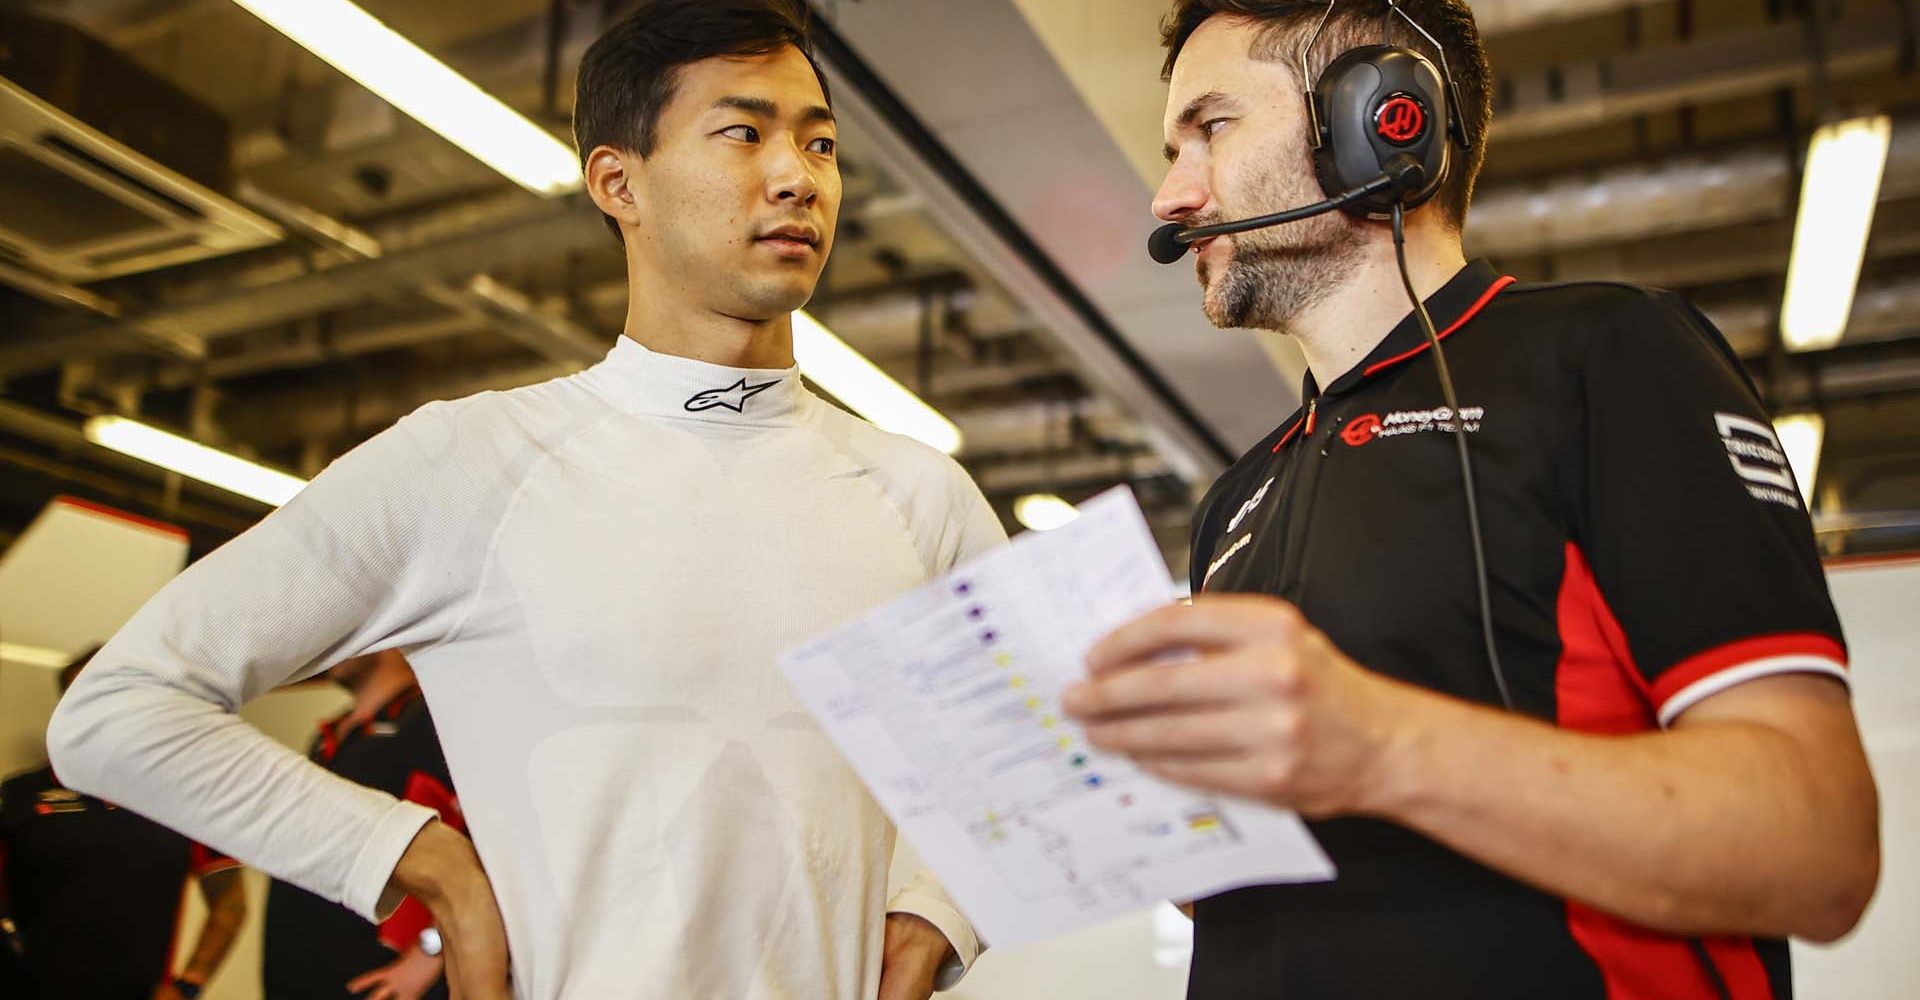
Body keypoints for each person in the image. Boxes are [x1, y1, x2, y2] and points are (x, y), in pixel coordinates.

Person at [48, 2, 1002, 998]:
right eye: (742, 132)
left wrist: (935, 912)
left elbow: (1055, 747)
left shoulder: (920, 495)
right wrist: (428, 867)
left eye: (822, 143)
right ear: (618, 181)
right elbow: (118, 711)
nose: (798, 175)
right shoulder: (469, 463)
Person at [1062, 2, 1880, 998]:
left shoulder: (1608, 356)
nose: (1169, 196)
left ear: (1380, 117)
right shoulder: (1242, 493)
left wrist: (1375, 740)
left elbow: (1816, 842)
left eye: (1213, 129)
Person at [2, 648, 247, 1000]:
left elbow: (229, 904)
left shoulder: (181, 797)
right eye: (87, 696)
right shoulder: (18, 794)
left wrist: (189, 985)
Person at [263, 650, 459, 1000]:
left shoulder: (430, 722)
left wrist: (431, 952)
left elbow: (489, 850)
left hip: (374, 980)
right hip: (302, 976)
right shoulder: (327, 739)